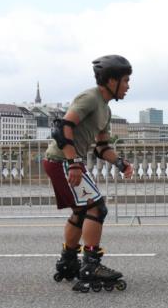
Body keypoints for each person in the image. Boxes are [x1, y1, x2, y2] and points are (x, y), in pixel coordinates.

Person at [43, 55, 135, 292]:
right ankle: (91, 265)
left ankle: (68, 261)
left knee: (82, 210)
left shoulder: (106, 110)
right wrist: (74, 163)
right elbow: (62, 128)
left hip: (65, 161)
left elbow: (102, 148)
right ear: (111, 81)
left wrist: (121, 163)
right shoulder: (90, 98)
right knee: (97, 208)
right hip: (63, 161)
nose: (128, 86)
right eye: (125, 80)